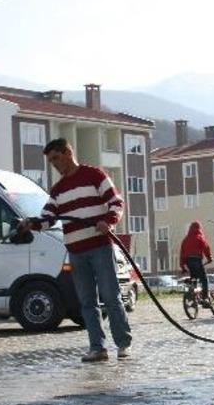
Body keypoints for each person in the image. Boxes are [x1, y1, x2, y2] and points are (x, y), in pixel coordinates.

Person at [18, 138, 132, 362]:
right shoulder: (58, 189)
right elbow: (47, 218)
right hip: (76, 252)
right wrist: (30, 223)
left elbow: (116, 203)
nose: (55, 164)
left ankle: (123, 344)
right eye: (51, 162)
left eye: (56, 158)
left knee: (111, 297)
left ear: (68, 152)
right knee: (87, 302)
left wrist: (108, 222)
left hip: (99, 247)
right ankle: (97, 348)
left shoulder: (95, 175)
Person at [179, 221, 213, 300]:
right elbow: (206, 248)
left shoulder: (185, 240)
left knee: (194, 278)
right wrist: (209, 258)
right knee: (203, 278)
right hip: (197, 260)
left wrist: (183, 267)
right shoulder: (199, 237)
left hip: (188, 262)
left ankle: (193, 295)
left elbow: (182, 254)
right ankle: (205, 295)